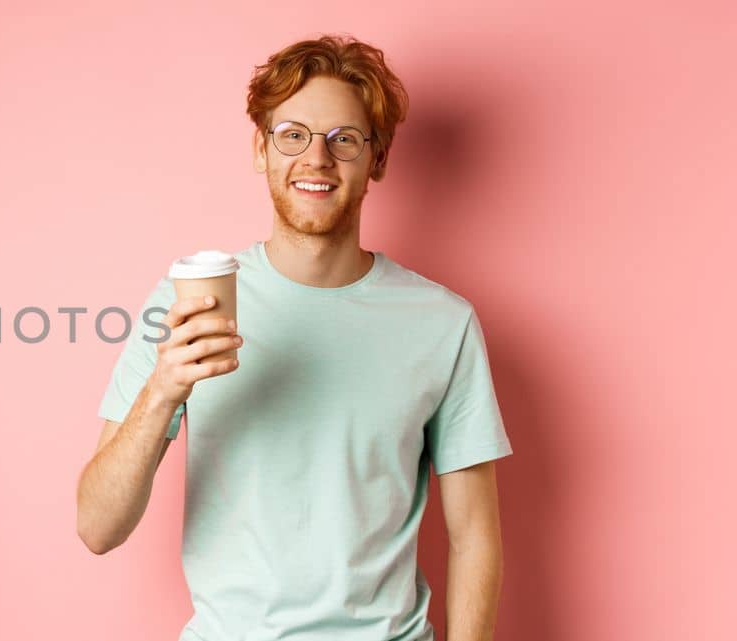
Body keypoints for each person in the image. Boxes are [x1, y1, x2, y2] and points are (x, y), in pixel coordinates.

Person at [76, 34, 512, 641]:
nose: (317, 159)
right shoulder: (185, 301)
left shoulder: (444, 323)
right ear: (262, 148)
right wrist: (162, 391)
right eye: (293, 135)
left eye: (345, 139)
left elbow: (473, 537)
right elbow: (98, 528)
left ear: (378, 160)